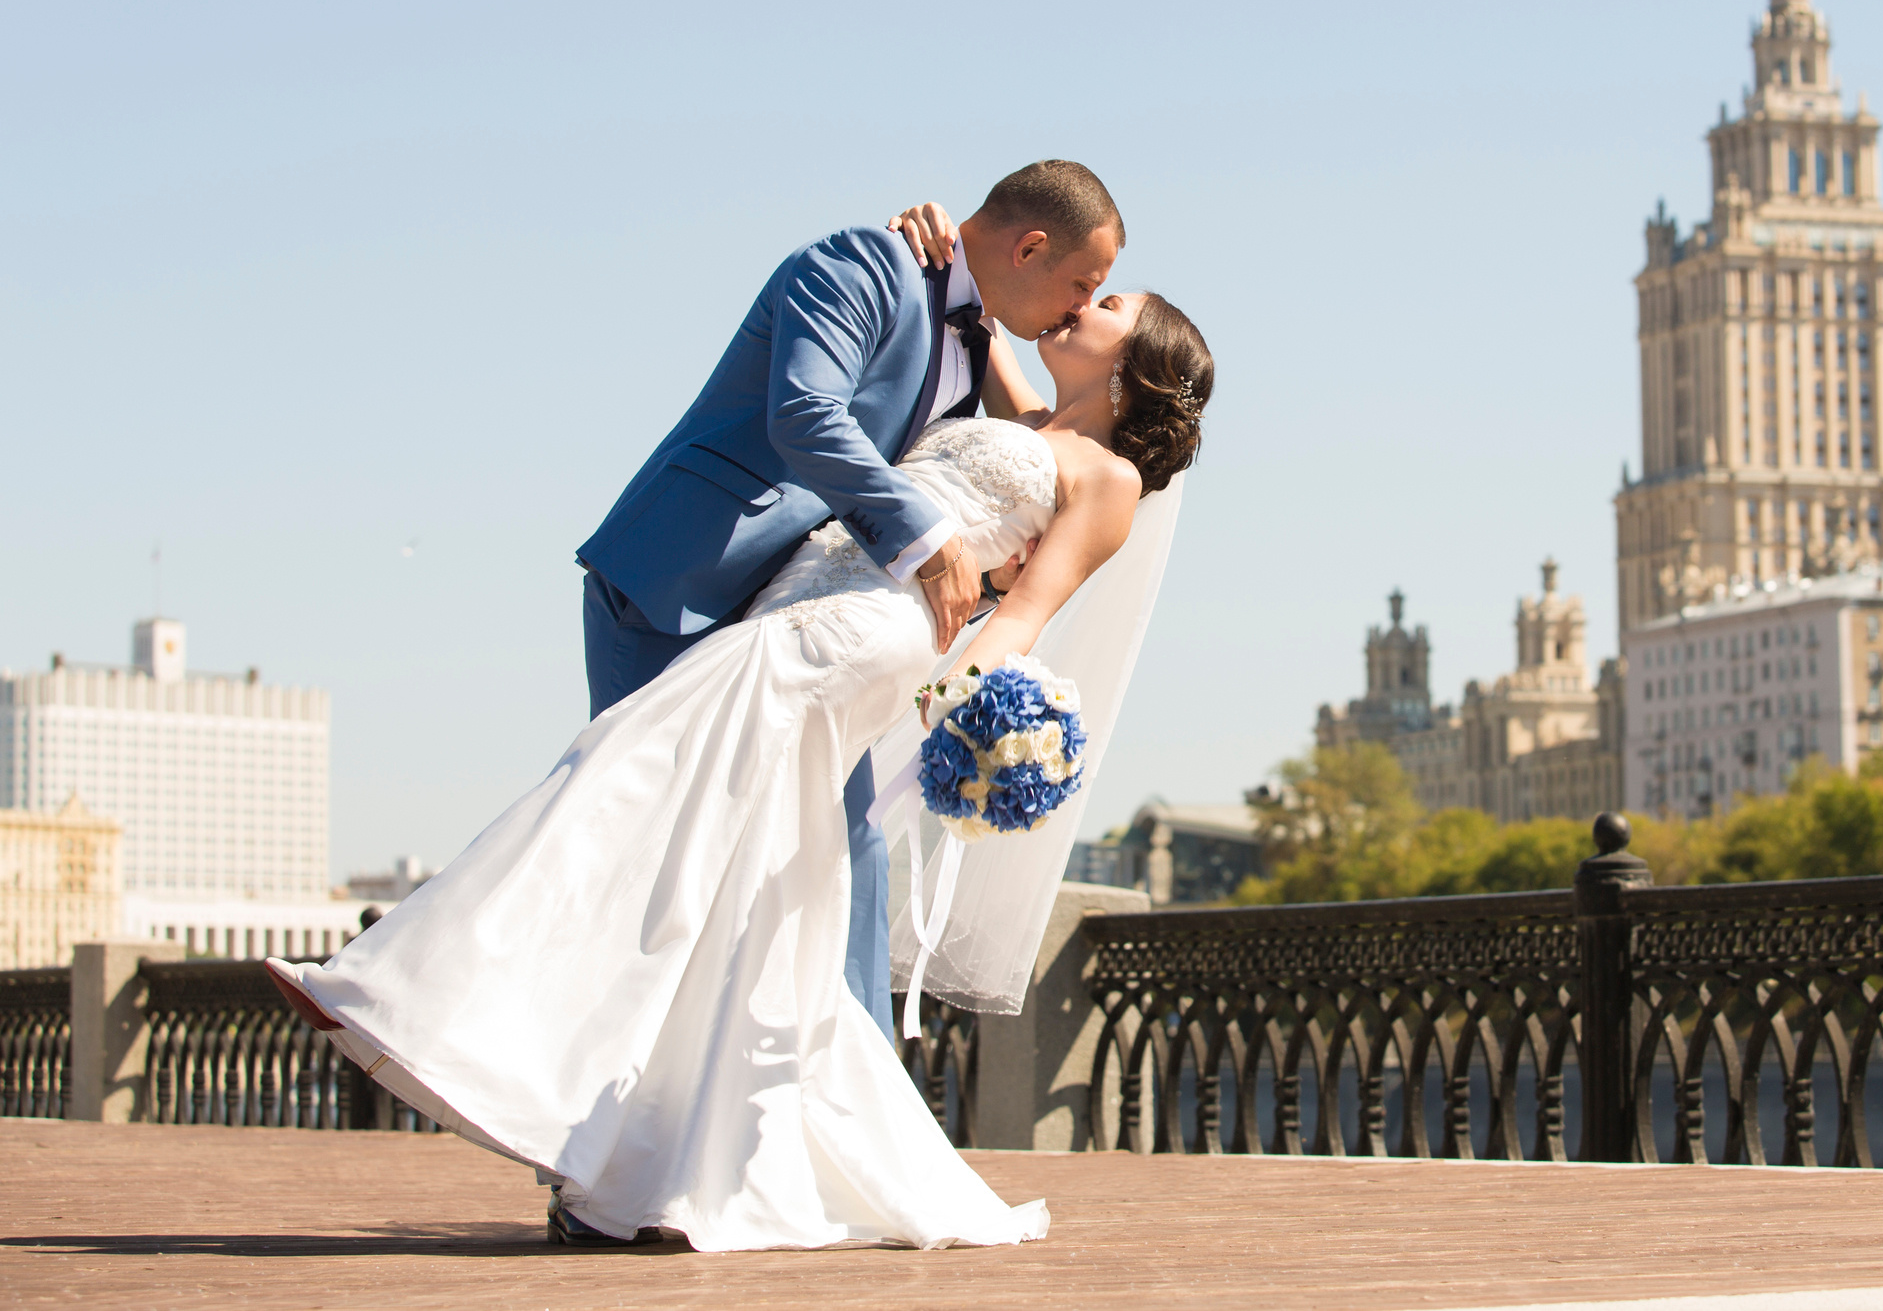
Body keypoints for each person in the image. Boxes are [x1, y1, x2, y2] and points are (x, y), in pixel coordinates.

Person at [267, 201, 1213, 1254]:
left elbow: (1024, 615)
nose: (1084, 301)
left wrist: (962, 713)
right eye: (1085, 281)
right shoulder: (1024, 409)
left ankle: (405, 987)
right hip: (795, 600)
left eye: (1106, 302)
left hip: (859, 631)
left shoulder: (1109, 481)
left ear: (1136, 369)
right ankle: (668, 1168)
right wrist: (940, 230)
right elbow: (979, 302)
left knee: (627, 771)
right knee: (749, 890)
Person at [569, 159, 1122, 1137]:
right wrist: (931, 541)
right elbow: (805, 415)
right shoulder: (865, 263)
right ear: (1032, 246)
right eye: (1083, 281)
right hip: (683, 587)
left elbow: (1004, 463)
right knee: (653, 859)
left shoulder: (975, 339)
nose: (1080, 304)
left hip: (806, 624)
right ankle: (595, 1144)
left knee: (848, 857)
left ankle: (848, 1134)